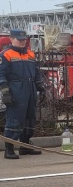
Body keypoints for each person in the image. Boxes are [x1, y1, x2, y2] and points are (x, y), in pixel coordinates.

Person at [0, 29, 46, 159]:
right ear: (11, 39)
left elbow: (36, 73)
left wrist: (41, 88)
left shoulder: (30, 55)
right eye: (19, 39)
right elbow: (1, 75)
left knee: (30, 118)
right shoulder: (5, 55)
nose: (22, 42)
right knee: (15, 119)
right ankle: (9, 149)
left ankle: (25, 146)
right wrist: (5, 93)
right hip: (16, 89)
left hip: (30, 89)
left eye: (24, 39)